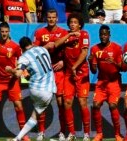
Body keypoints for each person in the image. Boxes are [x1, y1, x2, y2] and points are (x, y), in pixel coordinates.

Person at [6, 37, 56, 141]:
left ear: (22, 48)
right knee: (35, 115)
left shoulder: (24, 57)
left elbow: (18, 74)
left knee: (35, 115)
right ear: (31, 43)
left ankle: (17, 138)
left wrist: (10, 70)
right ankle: (35, 135)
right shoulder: (43, 49)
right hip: (49, 90)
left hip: (36, 89)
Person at [53, 12, 91, 141]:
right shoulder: (65, 34)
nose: (73, 24)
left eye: (75, 22)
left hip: (81, 73)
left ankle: (86, 134)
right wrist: (68, 34)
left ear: (80, 24)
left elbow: (84, 52)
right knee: (67, 102)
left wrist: (75, 66)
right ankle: (72, 133)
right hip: (69, 74)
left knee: (82, 103)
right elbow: (56, 44)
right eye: (71, 22)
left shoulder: (84, 35)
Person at [33, 9, 68, 141]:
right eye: (49, 17)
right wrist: (45, 48)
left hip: (59, 72)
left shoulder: (63, 33)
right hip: (45, 73)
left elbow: (69, 52)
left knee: (60, 102)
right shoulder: (40, 32)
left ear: (57, 19)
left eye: (53, 17)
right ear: (46, 18)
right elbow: (34, 52)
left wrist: (63, 62)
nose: (51, 19)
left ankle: (62, 132)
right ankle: (41, 132)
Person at [89, 25, 123, 141]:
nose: (103, 37)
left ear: (109, 35)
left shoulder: (117, 48)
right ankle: (99, 134)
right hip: (101, 82)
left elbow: (122, 68)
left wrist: (114, 62)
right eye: (101, 34)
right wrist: (90, 63)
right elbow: (94, 70)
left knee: (113, 105)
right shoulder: (94, 49)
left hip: (114, 82)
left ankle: (117, 134)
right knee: (95, 105)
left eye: (105, 34)